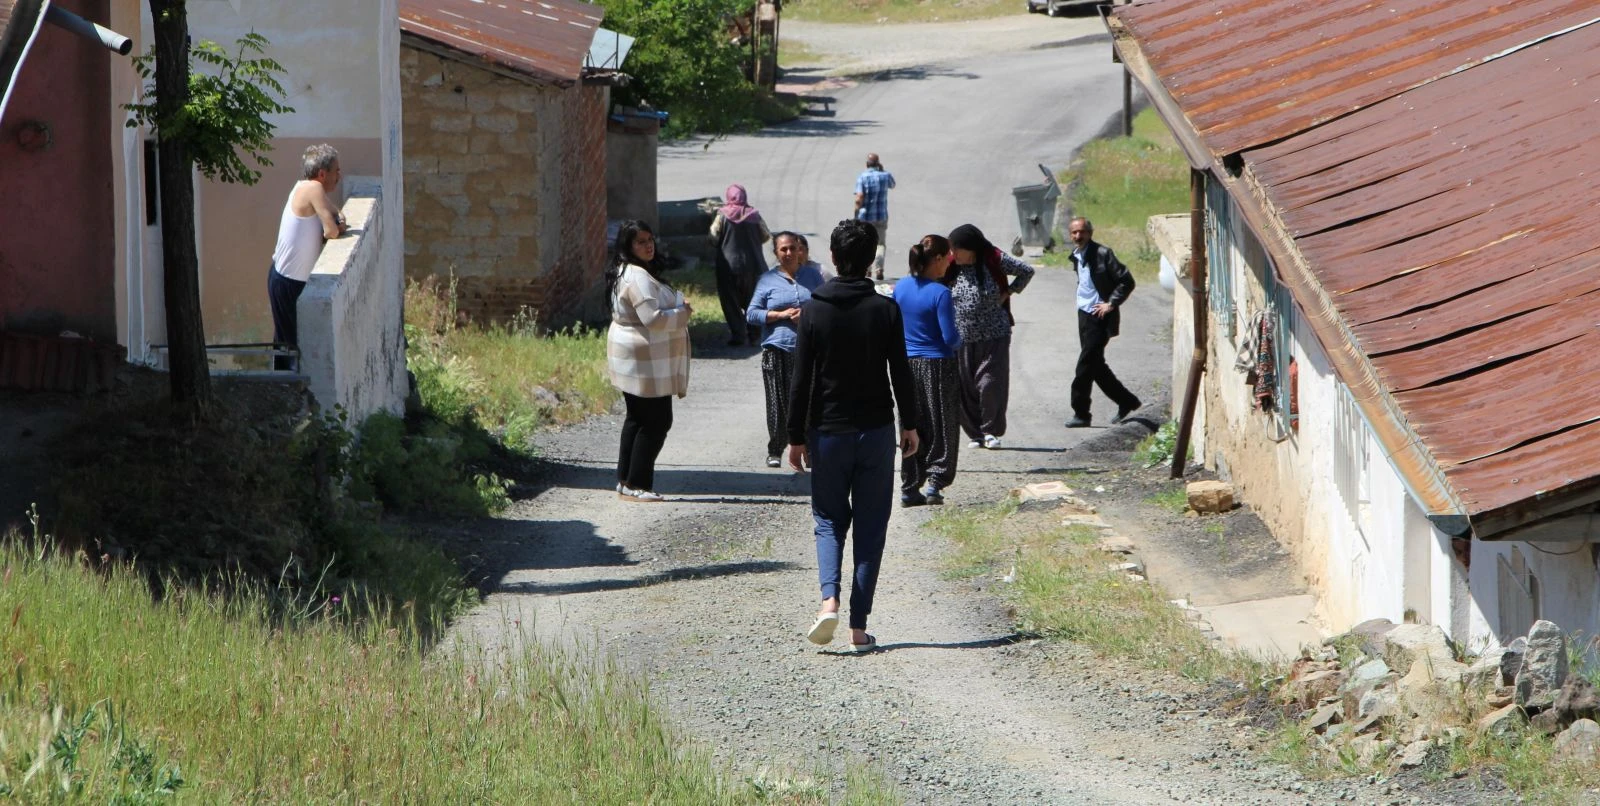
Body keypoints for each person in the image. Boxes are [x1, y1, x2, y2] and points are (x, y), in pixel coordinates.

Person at [788, 219, 917, 653]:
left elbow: (800, 380)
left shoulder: (814, 308)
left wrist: (794, 436)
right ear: (869, 260)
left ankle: (829, 600)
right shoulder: (885, 308)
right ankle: (858, 629)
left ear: (834, 256)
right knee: (871, 525)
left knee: (827, 519)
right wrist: (910, 424)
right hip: (876, 430)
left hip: (827, 431)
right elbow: (901, 370)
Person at [608, 220, 693, 502]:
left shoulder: (627, 271)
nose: (648, 245)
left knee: (637, 417)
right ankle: (638, 484)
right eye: (640, 241)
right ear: (628, 246)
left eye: (650, 239)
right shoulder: (638, 277)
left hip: (635, 357)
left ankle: (625, 481)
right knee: (656, 420)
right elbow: (653, 319)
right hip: (645, 360)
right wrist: (682, 312)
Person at [945, 223, 1034, 450]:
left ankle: (991, 431)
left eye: (957, 250)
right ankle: (974, 433)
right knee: (965, 386)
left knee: (989, 383)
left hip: (995, 334)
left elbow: (1026, 271)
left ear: (971, 248)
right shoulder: (950, 266)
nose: (953, 254)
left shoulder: (993, 258)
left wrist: (1009, 291)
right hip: (961, 337)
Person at [746, 232, 826, 467]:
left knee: (809, 400)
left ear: (800, 250)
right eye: (784, 249)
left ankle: (809, 448)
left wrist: (808, 314)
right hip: (776, 349)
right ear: (776, 253)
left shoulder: (813, 276)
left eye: (793, 248)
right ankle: (776, 448)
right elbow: (751, 314)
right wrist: (779, 315)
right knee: (777, 401)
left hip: (809, 349)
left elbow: (826, 305)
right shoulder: (767, 280)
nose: (789, 253)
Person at [893, 235, 962, 507]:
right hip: (938, 364)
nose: (949, 263)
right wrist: (962, 341)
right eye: (948, 258)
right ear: (937, 259)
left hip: (907, 365)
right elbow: (949, 337)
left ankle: (910, 487)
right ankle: (935, 482)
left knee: (911, 424)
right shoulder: (941, 293)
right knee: (942, 424)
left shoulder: (901, 287)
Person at [268, 144, 346, 370]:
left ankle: (284, 391)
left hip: (287, 278)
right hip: (287, 280)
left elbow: (338, 215)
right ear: (322, 174)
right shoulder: (312, 188)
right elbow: (331, 230)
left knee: (287, 342)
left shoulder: (308, 188)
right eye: (336, 171)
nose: (339, 176)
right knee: (289, 345)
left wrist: (336, 223)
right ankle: (286, 394)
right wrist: (336, 226)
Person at [1064, 217, 1141, 427]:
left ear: (1090, 232)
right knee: (1095, 365)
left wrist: (1111, 304)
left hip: (1100, 315)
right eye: (1074, 233)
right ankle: (1127, 401)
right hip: (1084, 314)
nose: (1078, 236)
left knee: (1085, 365)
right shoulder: (1077, 255)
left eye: (1082, 232)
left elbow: (1127, 280)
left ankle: (1081, 413)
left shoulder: (1102, 254)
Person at [709, 184, 771, 346]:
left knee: (730, 300)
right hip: (754, 265)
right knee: (754, 300)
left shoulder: (722, 215)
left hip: (728, 266)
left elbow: (714, 237)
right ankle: (754, 334)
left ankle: (738, 335)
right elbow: (765, 236)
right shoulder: (754, 215)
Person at [853, 153, 896, 281]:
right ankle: (879, 268)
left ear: (867, 164)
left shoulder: (862, 177)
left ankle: (867, 269)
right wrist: (882, 170)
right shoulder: (885, 176)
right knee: (880, 244)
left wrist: (856, 212)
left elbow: (859, 197)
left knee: (865, 243)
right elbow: (892, 184)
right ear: (878, 164)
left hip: (865, 217)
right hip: (881, 216)